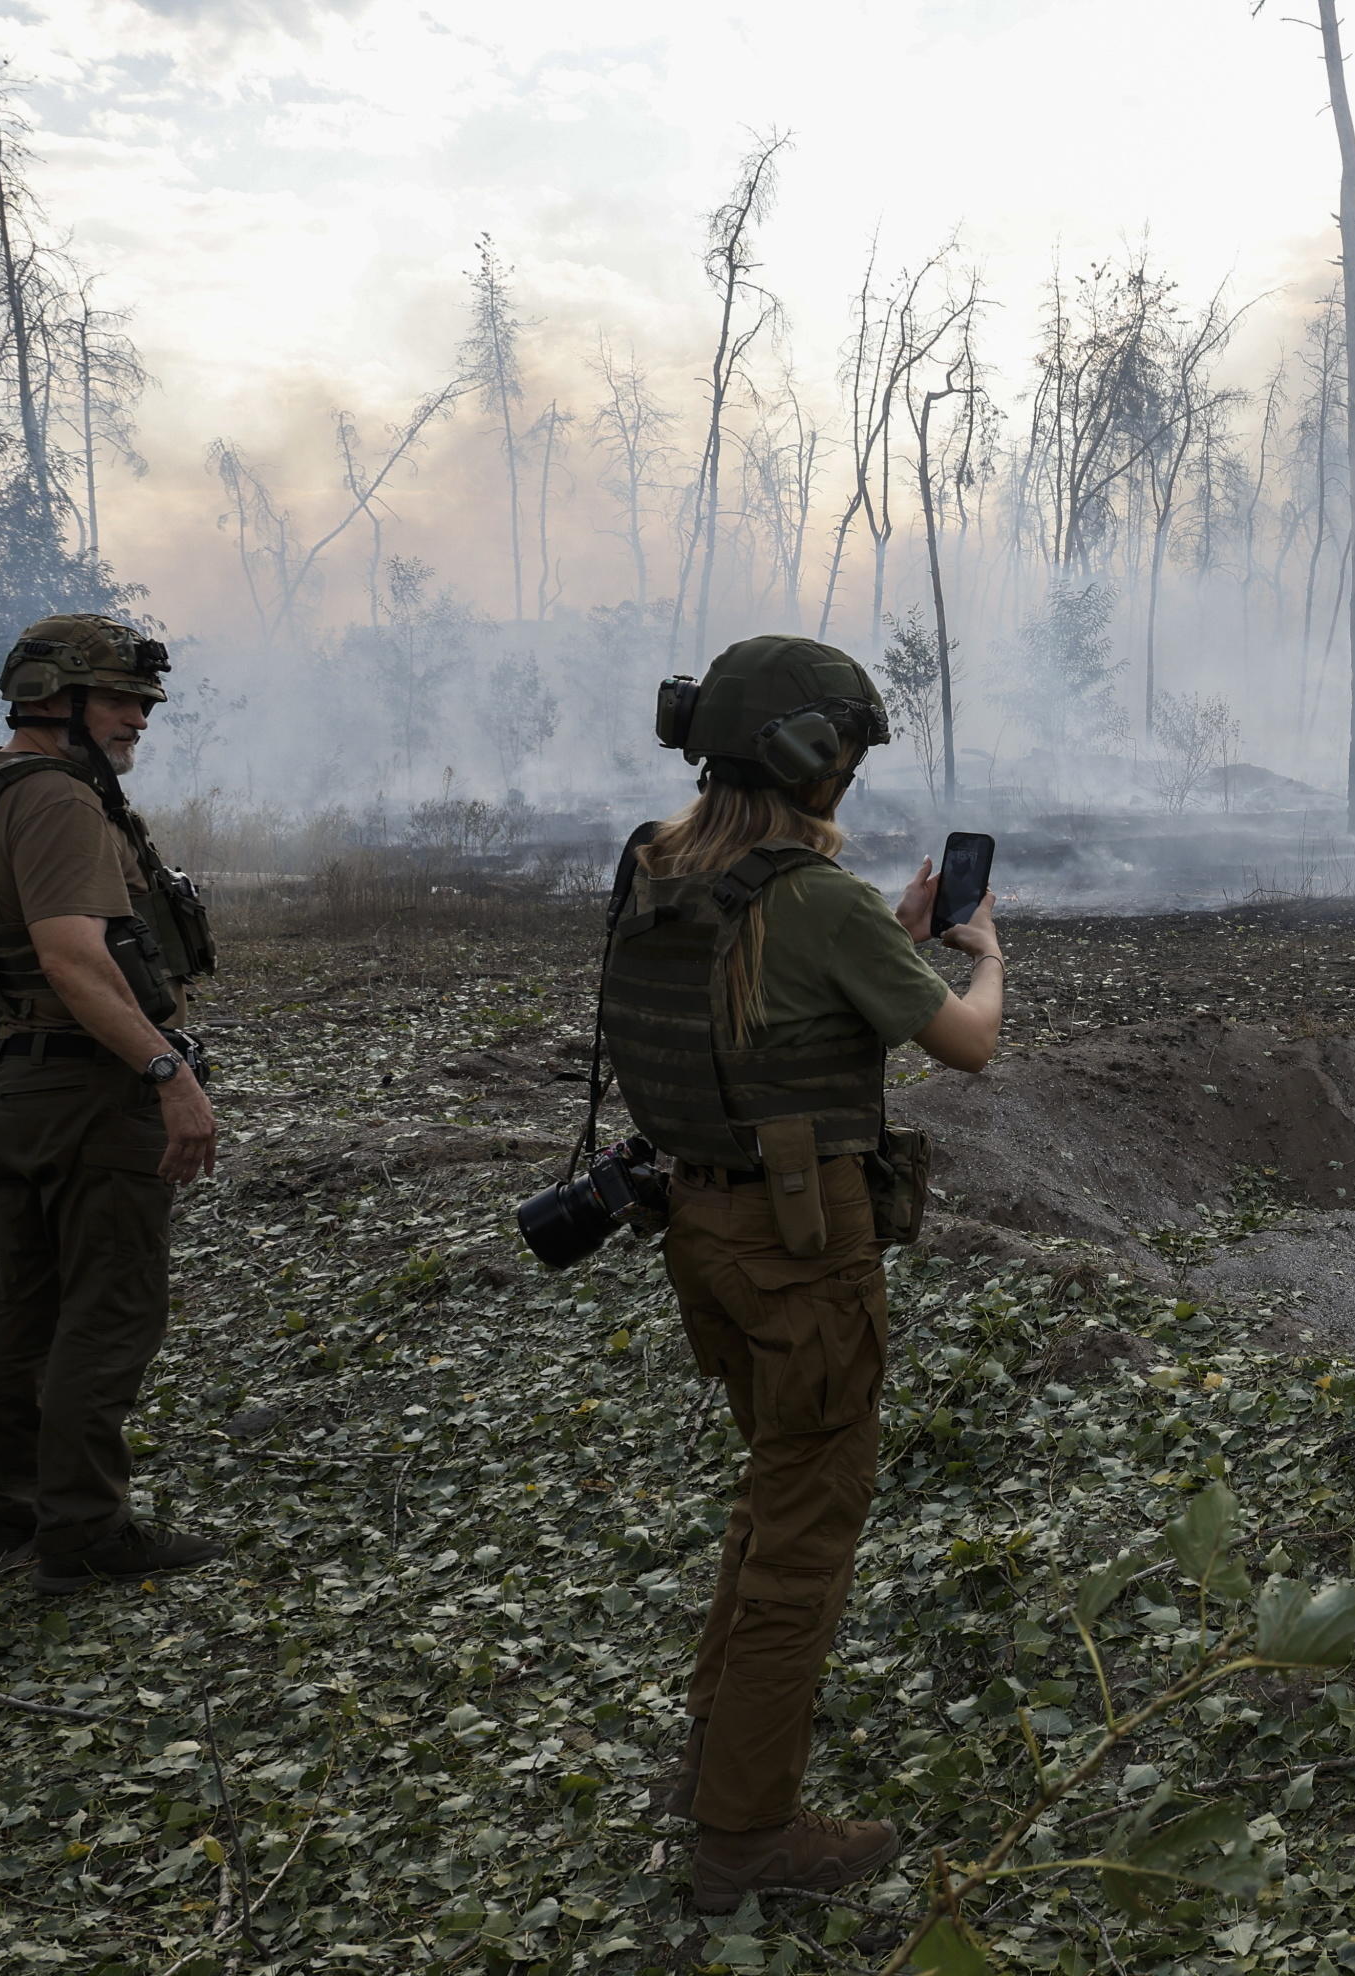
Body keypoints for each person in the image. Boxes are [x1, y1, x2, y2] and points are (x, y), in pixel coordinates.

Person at [598, 634, 1004, 1914]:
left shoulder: (658, 865)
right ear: (814, 756)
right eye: (852, 754)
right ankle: (746, 1834)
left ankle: (714, 1756)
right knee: (805, 1532)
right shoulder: (811, 899)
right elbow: (968, 1046)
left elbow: (756, 1009)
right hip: (799, 1245)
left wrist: (880, 937)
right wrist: (982, 955)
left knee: (772, 1486)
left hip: (704, 1233)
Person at [0, 615, 223, 1593]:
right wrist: (168, 1076)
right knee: (112, 1308)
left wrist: (17, 1031)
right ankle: (84, 1534)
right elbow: (74, 954)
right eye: (122, 699)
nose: (139, 717)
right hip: (90, 1088)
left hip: (18, 1077)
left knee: (26, 1304)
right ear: (55, 696)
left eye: (142, 700)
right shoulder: (56, 802)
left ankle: (5, 1526)